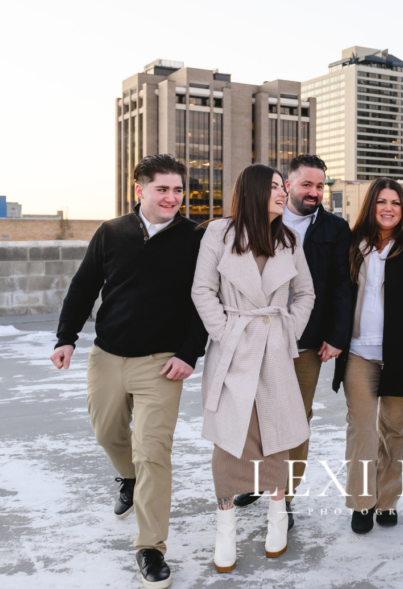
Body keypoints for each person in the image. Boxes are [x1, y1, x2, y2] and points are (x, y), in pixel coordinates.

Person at [51, 154, 208, 589]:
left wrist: (189, 354)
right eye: (163, 189)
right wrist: (66, 337)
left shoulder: (196, 237)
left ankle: (150, 548)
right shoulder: (112, 232)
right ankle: (128, 478)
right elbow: (84, 286)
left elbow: (204, 302)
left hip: (163, 364)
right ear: (139, 190)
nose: (172, 197)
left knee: (153, 452)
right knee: (107, 433)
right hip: (107, 355)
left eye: (178, 189)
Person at [191, 164, 315, 573]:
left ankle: (277, 516)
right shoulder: (219, 234)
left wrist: (287, 331)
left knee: (276, 436)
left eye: (284, 187)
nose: (284, 193)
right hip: (235, 348)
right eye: (277, 187)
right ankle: (225, 526)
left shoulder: (289, 238)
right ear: (256, 191)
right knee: (232, 438)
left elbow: (305, 293)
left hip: (275, 348)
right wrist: (227, 333)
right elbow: (202, 290)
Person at [231, 155, 353, 527]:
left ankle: (284, 495)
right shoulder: (261, 222)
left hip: (305, 343)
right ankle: (257, 479)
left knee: (296, 419)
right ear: (287, 185)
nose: (314, 192)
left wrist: (335, 336)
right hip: (255, 340)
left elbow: (342, 286)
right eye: (306, 185)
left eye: (320, 186)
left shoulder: (336, 228)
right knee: (254, 417)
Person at [332, 177, 403, 534]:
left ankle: (387, 500)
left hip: (402, 355)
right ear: (371, 205)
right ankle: (362, 502)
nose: (388, 208)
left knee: (394, 430)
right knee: (362, 430)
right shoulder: (352, 243)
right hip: (359, 353)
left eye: (396, 203)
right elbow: (337, 293)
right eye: (381, 202)